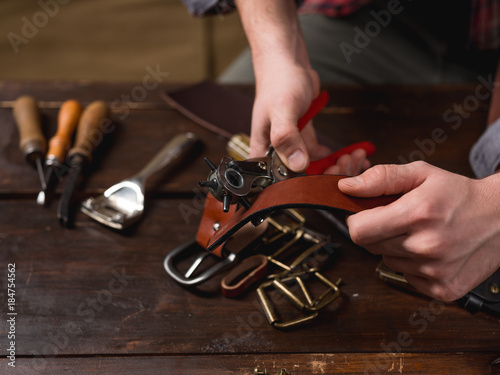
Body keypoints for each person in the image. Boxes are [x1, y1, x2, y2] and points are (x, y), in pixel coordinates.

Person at [182, 0, 500, 302]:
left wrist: (493, 205)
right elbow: (275, 58)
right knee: (240, 89)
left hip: (489, 52)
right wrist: (276, 56)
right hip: (365, 17)